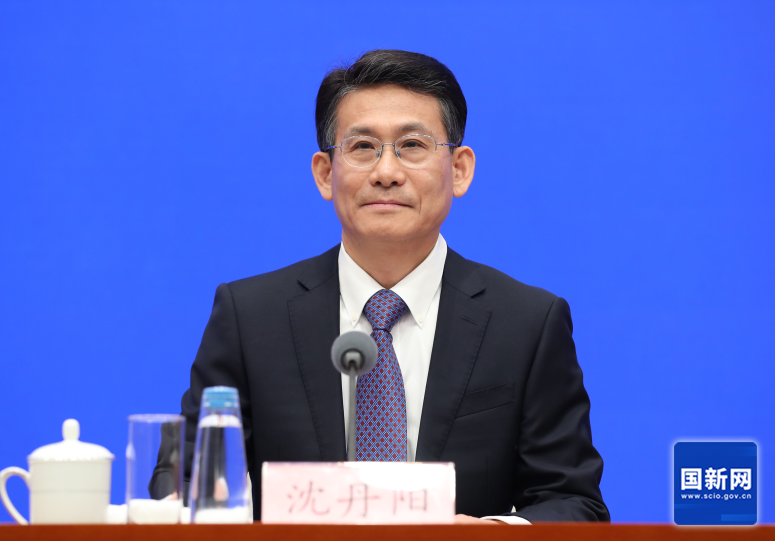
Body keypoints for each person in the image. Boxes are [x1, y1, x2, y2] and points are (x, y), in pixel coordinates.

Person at [168, 49, 609, 523]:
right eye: (362, 147)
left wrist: (491, 534)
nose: (386, 172)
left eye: (413, 145)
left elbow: (574, 502)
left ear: (459, 169)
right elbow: (181, 481)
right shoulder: (251, 317)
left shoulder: (526, 324)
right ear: (325, 174)